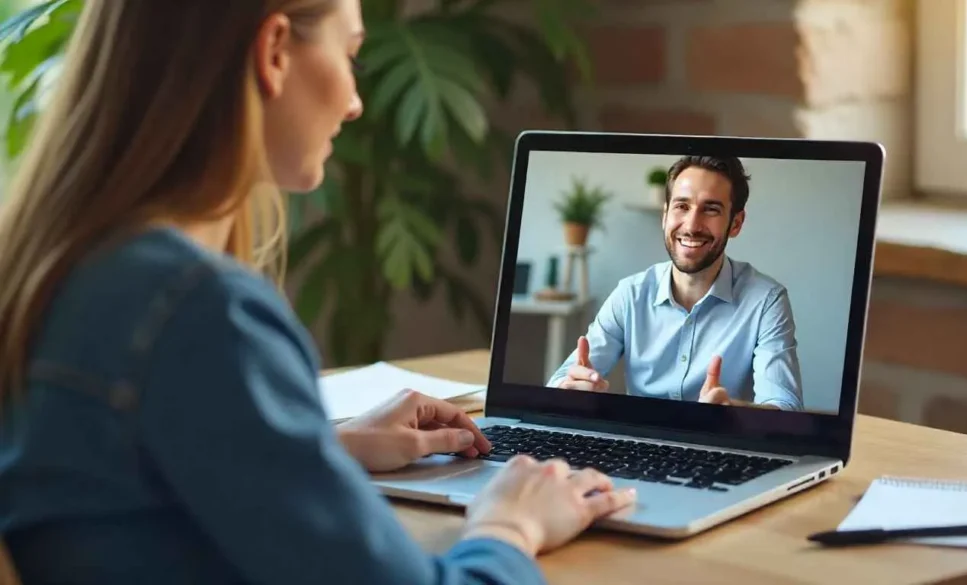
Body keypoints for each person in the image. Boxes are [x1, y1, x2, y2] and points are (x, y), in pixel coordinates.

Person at [0, 1, 636, 583]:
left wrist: (321, 448)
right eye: (350, 52)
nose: (357, 101)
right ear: (274, 50)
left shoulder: (66, 267)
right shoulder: (197, 310)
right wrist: (510, 526)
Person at [546, 155, 803, 411]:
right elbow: (560, 382)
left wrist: (734, 414)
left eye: (711, 209)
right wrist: (570, 389)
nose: (691, 226)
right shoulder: (630, 295)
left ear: (735, 223)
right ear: (665, 214)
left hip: (721, 445)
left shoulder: (766, 301)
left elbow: (785, 407)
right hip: (638, 444)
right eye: (682, 206)